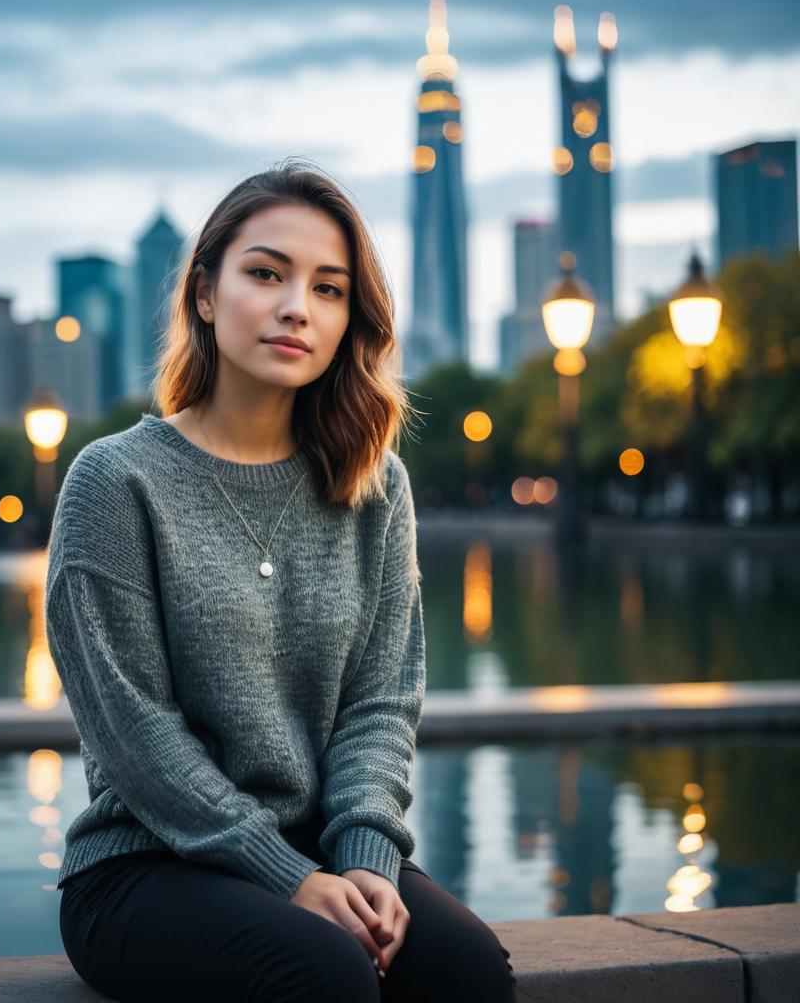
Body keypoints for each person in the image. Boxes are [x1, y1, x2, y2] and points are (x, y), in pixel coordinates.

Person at [45, 158, 517, 1002]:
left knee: (466, 968)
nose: (298, 306)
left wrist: (368, 859)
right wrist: (285, 876)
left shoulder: (377, 488)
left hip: (323, 851)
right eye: (266, 274)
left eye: (329, 289)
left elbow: (381, 704)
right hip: (143, 865)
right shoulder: (114, 481)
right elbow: (134, 734)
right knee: (325, 970)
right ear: (203, 292)